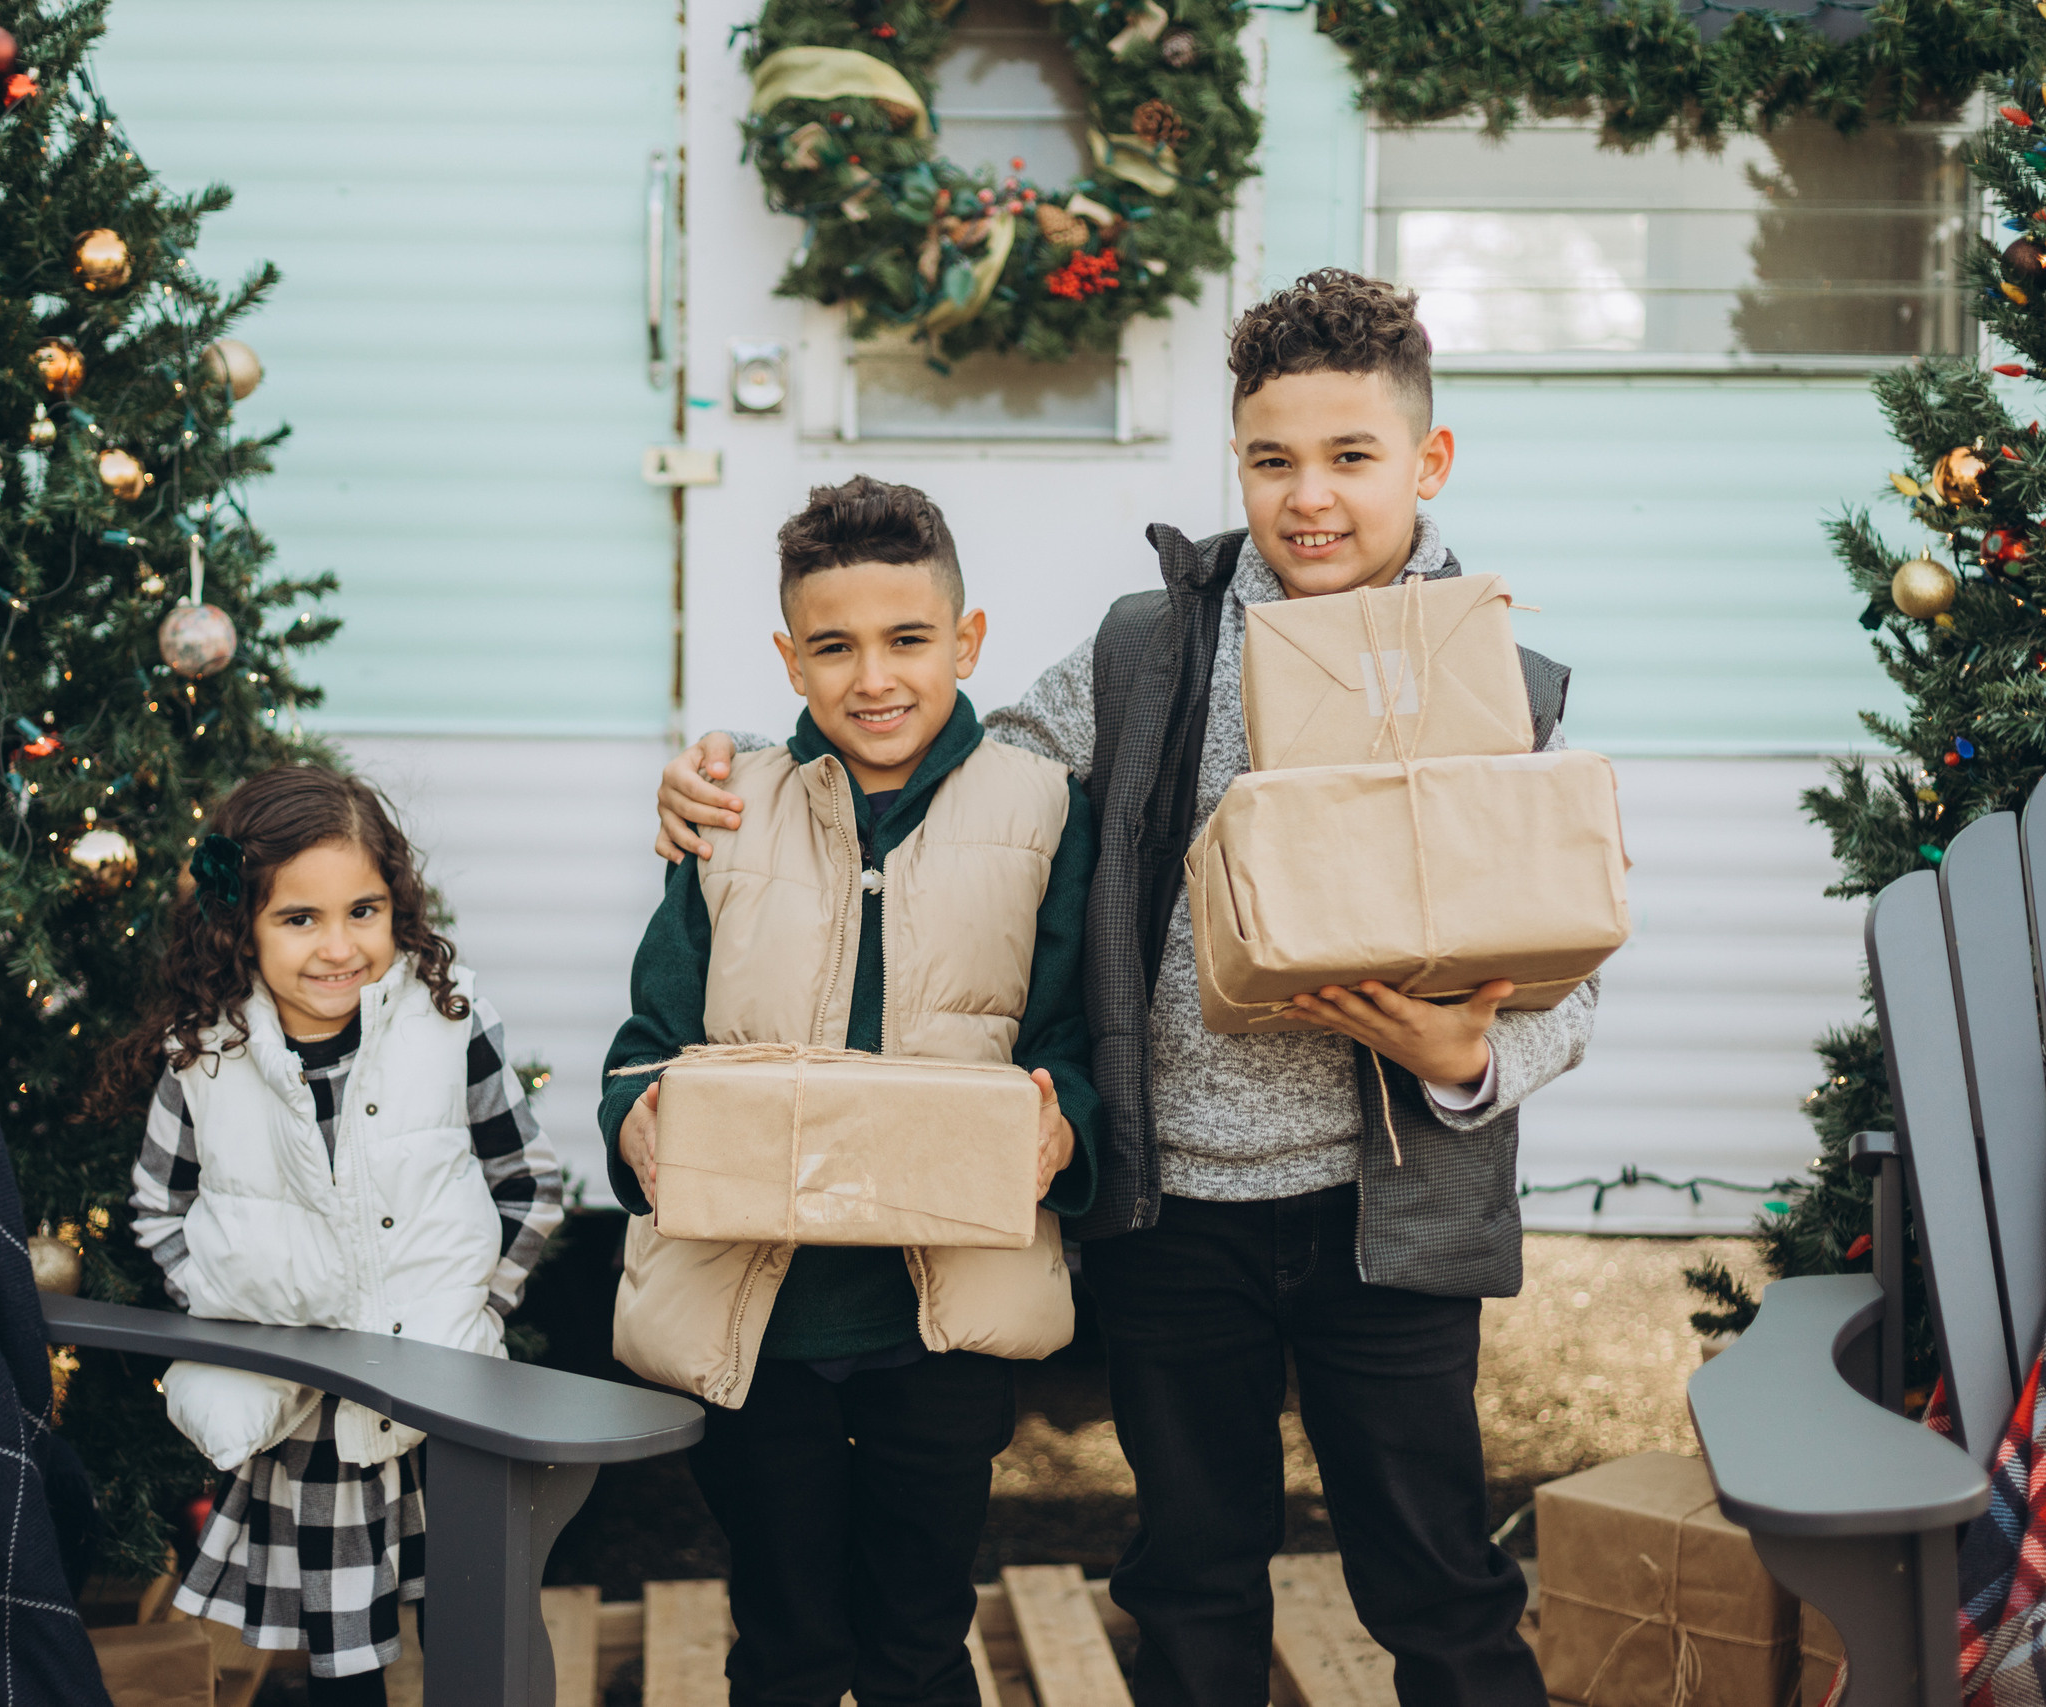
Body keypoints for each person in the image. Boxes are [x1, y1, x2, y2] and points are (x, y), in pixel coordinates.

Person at [651, 272, 1593, 1707]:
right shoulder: (1150, 647)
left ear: (1429, 460)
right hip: (1178, 1216)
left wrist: (1468, 1054)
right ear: (1237, 461)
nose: (1310, 497)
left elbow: (1574, 955)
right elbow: (966, 764)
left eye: (1351, 457)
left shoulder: (1491, 675)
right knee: (1191, 1572)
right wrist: (736, 780)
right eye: (1273, 460)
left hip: (1388, 1214)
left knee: (1437, 1572)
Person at [601, 475, 1100, 1707]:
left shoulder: (1042, 811)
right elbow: (648, 1036)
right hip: (755, 1323)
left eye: (907, 640)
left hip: (936, 1323)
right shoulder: (727, 808)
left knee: (920, 1639)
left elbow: (1075, 1038)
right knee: (782, 1638)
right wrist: (638, 1120)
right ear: (789, 658)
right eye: (834, 647)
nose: (873, 678)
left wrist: (1061, 1126)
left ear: (966, 641)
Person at [103, 764, 563, 1706]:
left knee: (477, 1632)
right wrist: (238, 1302)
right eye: (299, 918)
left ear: (398, 906)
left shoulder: (450, 1023)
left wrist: (477, 1310)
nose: (339, 947)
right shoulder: (207, 1058)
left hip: (450, 1402)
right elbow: (158, 1206)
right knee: (344, 1659)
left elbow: (528, 1181)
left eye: (364, 910)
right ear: (243, 927)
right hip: (312, 1423)